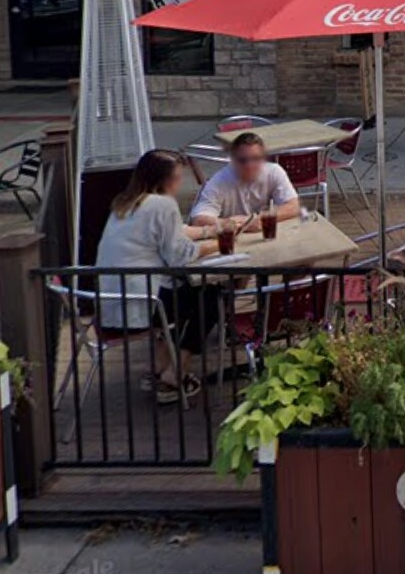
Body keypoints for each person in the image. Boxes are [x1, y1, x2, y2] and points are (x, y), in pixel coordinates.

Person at [95, 149, 220, 405]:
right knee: (212, 294)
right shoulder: (163, 204)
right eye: (178, 177)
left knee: (182, 292)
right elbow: (179, 256)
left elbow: (172, 234)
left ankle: (158, 366)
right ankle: (175, 373)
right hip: (141, 304)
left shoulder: (125, 202)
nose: (180, 183)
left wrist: (207, 231)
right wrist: (218, 244)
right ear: (164, 180)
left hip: (110, 305)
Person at [189, 131, 301, 226]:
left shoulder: (274, 171)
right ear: (232, 159)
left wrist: (259, 219)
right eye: (243, 160)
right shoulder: (218, 181)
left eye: (256, 158)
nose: (249, 166)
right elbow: (198, 219)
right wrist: (234, 223)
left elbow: (294, 206)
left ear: (264, 158)